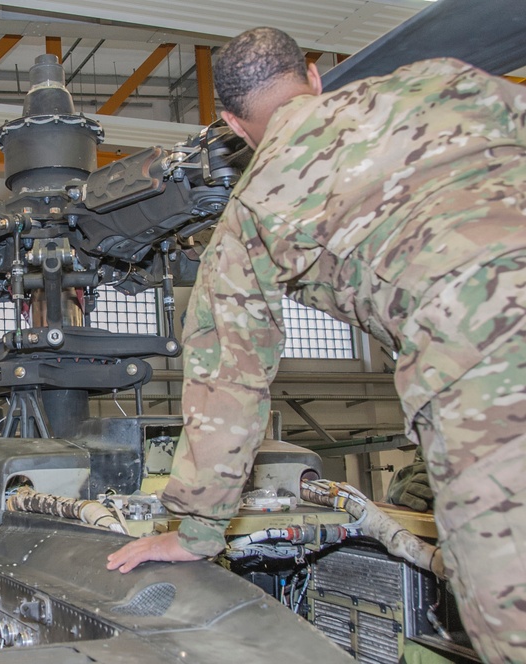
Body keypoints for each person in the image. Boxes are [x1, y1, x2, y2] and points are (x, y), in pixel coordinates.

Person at [106, 27, 526, 663]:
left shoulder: (252, 210)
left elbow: (229, 381)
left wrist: (196, 531)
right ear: (314, 75)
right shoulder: (445, 80)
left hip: (483, 368)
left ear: (230, 122)